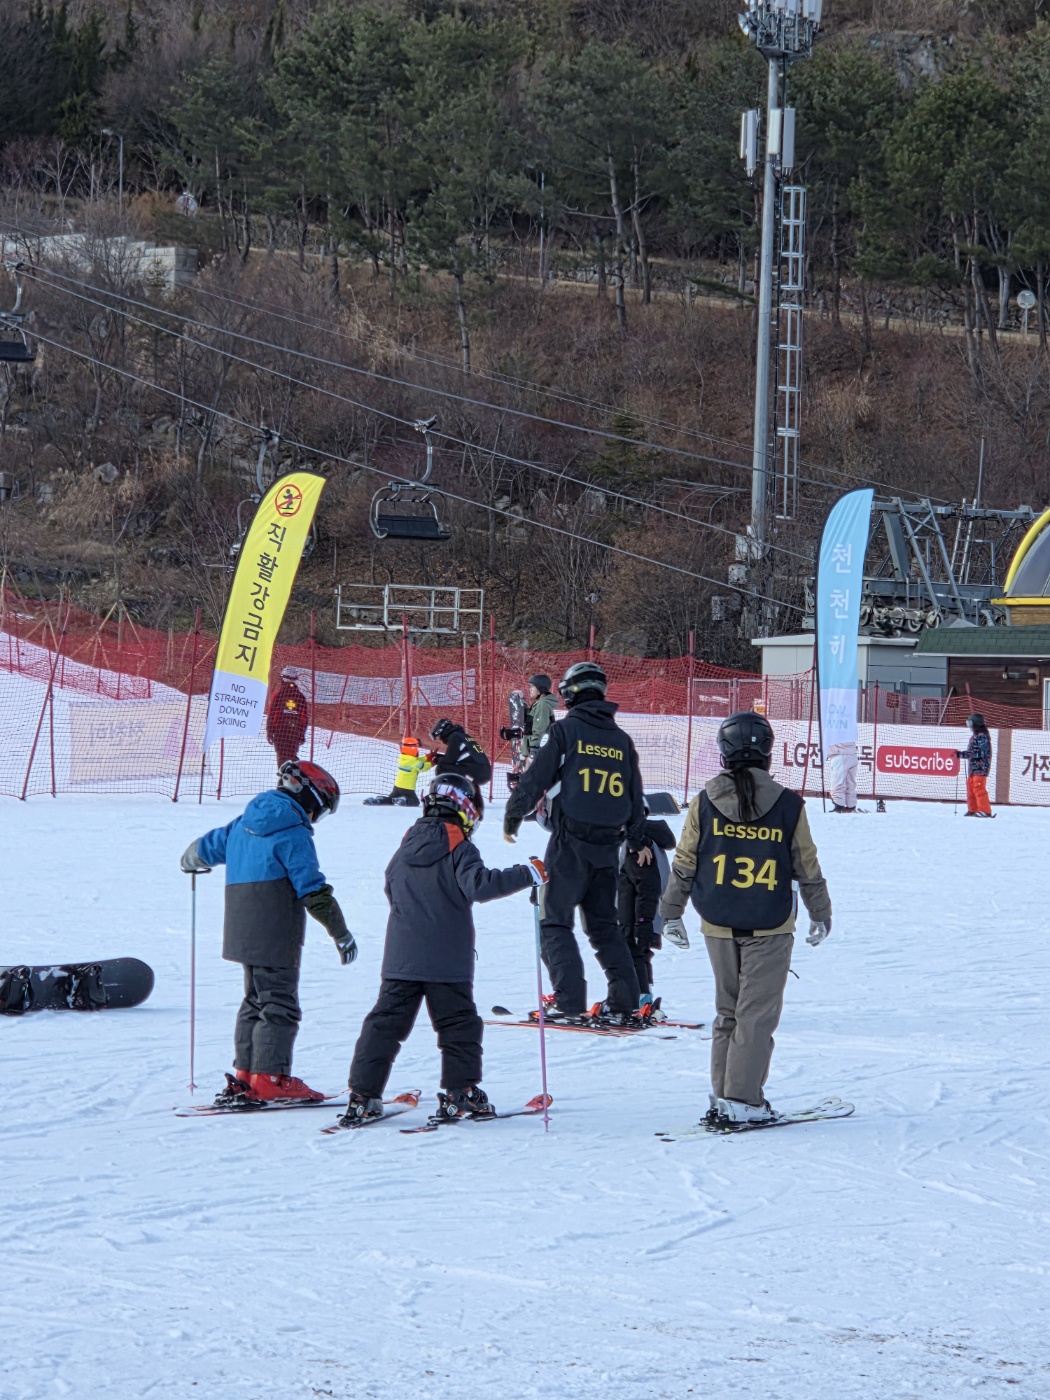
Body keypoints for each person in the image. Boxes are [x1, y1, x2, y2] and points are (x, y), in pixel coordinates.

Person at [658, 711, 832, 1127]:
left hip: (718, 920)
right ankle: (742, 1101)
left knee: (728, 1012)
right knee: (755, 1016)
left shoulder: (704, 802)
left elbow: (685, 862)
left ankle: (725, 1095)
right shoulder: (788, 805)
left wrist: (671, 912)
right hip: (770, 924)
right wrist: (820, 911)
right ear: (767, 752)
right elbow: (806, 865)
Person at [340, 773, 546, 1124]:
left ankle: (362, 1096)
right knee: (458, 1024)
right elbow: (480, 885)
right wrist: (528, 873)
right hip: (446, 958)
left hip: (402, 958)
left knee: (385, 1024)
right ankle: (460, 1092)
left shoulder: (406, 844)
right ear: (464, 807)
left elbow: (391, 886)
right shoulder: (458, 845)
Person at [180, 759, 357, 1104]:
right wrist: (340, 932)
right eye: (320, 811)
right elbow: (313, 890)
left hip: (241, 927)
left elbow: (207, 848)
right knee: (279, 1003)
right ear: (310, 797)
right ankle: (270, 1079)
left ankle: (246, 1075)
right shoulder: (293, 832)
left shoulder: (243, 823)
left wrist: (192, 856)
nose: (315, 819)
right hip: (275, 927)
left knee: (254, 999)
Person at [503, 660, 646, 1023]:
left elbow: (536, 777)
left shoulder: (566, 731)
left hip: (570, 844)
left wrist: (514, 814)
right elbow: (635, 798)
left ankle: (568, 1001)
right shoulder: (622, 741)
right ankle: (625, 1000)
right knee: (603, 926)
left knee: (553, 921)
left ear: (570, 693)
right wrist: (636, 838)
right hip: (609, 847)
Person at [617, 804, 676, 1011]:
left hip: (643, 913)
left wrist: (643, 921)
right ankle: (641, 996)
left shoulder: (640, 846)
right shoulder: (633, 841)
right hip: (638, 912)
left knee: (634, 949)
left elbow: (647, 887)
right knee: (632, 949)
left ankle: (641, 999)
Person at [363, 735, 434, 807]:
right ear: (413, 749)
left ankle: (378, 800)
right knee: (415, 802)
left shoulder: (403, 758)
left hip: (397, 786)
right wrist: (432, 763)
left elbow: (417, 760)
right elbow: (424, 767)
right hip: (407, 788)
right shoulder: (414, 763)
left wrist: (428, 756)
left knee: (391, 799)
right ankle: (403, 801)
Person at [429, 717, 492, 788]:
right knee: (453, 769)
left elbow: (449, 761)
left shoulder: (454, 737)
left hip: (475, 775)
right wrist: (438, 756)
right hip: (482, 773)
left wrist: (436, 760)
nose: (440, 738)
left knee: (442, 768)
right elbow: (453, 758)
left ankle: (446, 792)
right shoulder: (461, 736)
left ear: (443, 731)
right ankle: (465, 791)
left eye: (439, 736)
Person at [266, 667, 310, 767]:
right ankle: (293, 773)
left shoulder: (278, 695)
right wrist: (301, 734)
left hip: (280, 733)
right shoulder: (300, 697)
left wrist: (270, 731)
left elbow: (272, 714)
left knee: (282, 758)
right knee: (291, 756)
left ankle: (286, 775)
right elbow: (304, 718)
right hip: (295, 733)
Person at [957, 713, 994, 817]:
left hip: (981, 768)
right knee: (970, 788)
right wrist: (963, 754)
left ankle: (985, 810)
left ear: (976, 724)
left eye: (970, 723)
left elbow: (979, 753)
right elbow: (972, 752)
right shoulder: (974, 737)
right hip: (973, 768)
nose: (969, 726)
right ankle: (973, 809)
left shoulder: (983, 737)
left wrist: (963, 754)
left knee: (978, 788)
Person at [523, 675, 557, 761]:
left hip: (537, 750)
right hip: (536, 749)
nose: (530, 689)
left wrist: (534, 749)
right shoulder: (540, 704)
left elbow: (539, 730)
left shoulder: (542, 705)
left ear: (540, 688)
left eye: (532, 686)